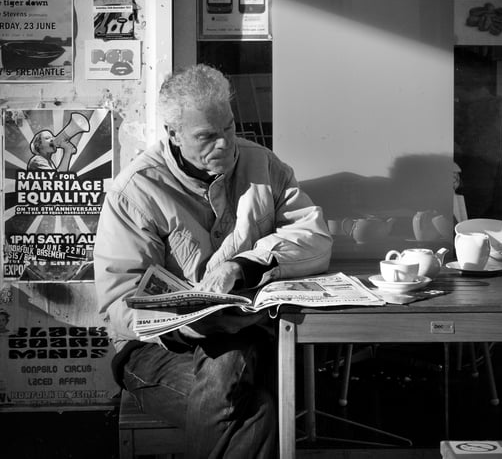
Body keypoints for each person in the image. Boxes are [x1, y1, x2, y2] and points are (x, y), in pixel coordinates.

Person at [94, 64, 332, 458]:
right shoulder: (135, 190)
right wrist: (191, 326)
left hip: (249, 334)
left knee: (243, 382)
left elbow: (315, 239)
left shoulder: (263, 165)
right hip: (156, 351)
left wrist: (244, 265)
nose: (223, 144)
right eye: (206, 136)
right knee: (244, 394)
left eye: (229, 129)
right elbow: (120, 304)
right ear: (172, 134)